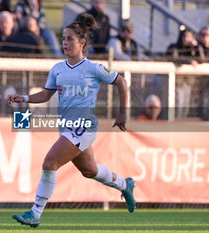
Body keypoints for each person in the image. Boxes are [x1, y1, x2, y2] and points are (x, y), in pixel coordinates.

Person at [8, 13, 136, 228]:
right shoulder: (58, 69)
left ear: (82, 42)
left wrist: (123, 113)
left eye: (70, 39)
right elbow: (47, 94)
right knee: (90, 171)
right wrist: (26, 98)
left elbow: (122, 83)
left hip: (83, 127)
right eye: (64, 38)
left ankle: (35, 213)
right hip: (66, 128)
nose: (65, 43)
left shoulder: (94, 69)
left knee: (50, 163)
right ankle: (125, 184)